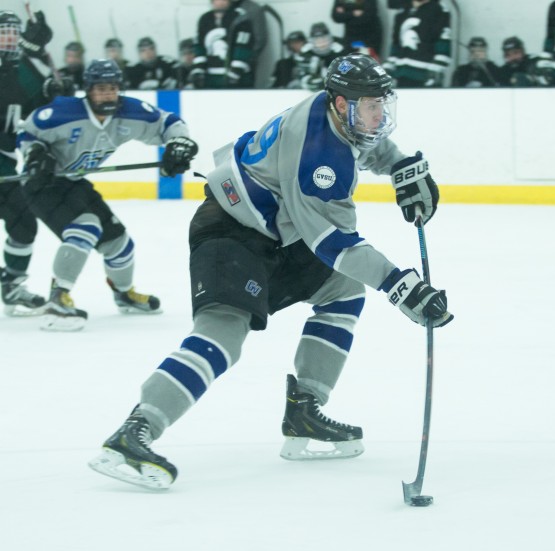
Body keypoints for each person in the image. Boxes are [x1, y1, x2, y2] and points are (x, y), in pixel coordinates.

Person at [87, 53, 453, 490]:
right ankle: (136, 430)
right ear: (340, 103)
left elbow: (367, 147)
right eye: (370, 106)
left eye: (381, 104)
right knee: (223, 332)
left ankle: (304, 411)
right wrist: (401, 287)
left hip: (274, 234)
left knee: (344, 289)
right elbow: (334, 243)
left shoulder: (336, 115)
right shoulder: (318, 155)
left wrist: (399, 166)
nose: (378, 115)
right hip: (229, 231)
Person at [17, 59, 198, 331]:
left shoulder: (129, 112)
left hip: (74, 182)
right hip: (43, 184)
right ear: (88, 90)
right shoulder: (64, 112)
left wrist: (178, 144)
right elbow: (28, 131)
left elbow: (168, 122)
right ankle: (57, 299)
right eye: (101, 88)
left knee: (118, 243)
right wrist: (34, 154)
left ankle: (124, 294)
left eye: (112, 88)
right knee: (85, 228)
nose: (107, 94)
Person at [0, 9, 72, 316]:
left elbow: (38, 111)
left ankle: (12, 283)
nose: (9, 39)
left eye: (14, 34)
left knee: (23, 225)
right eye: (4, 32)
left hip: (4, 162)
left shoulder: (19, 71)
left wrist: (55, 94)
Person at [190, 0, 256, 89]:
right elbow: (199, 45)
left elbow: (243, 47)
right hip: (210, 77)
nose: (220, 2)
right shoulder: (205, 18)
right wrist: (198, 69)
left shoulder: (240, 18)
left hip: (238, 77)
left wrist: (236, 71)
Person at [385, 0, 452, 88]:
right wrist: (389, 67)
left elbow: (443, 42)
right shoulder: (402, 10)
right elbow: (396, 43)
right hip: (401, 74)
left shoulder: (439, 9)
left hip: (424, 75)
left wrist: (436, 70)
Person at [299, 22, 347, 91]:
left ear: (330, 38)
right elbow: (301, 74)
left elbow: (346, 73)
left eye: (324, 39)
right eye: (317, 40)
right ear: (311, 41)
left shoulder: (339, 51)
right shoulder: (306, 53)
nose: (322, 43)